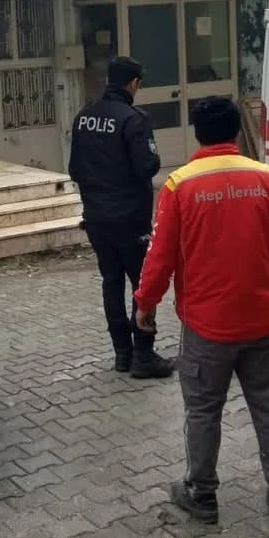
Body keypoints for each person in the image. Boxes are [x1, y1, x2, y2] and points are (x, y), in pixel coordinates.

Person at [135, 95, 269, 526]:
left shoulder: (180, 185)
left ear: (197, 133)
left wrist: (145, 304)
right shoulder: (265, 178)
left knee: (203, 410)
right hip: (263, 318)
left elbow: (160, 256)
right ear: (235, 132)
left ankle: (202, 493)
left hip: (208, 327)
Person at [69, 56, 174, 379]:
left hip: (97, 218)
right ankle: (144, 354)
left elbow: (74, 169)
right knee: (143, 284)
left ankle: (122, 354)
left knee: (111, 281)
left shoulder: (83, 117)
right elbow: (147, 166)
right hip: (130, 219)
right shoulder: (134, 119)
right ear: (134, 83)